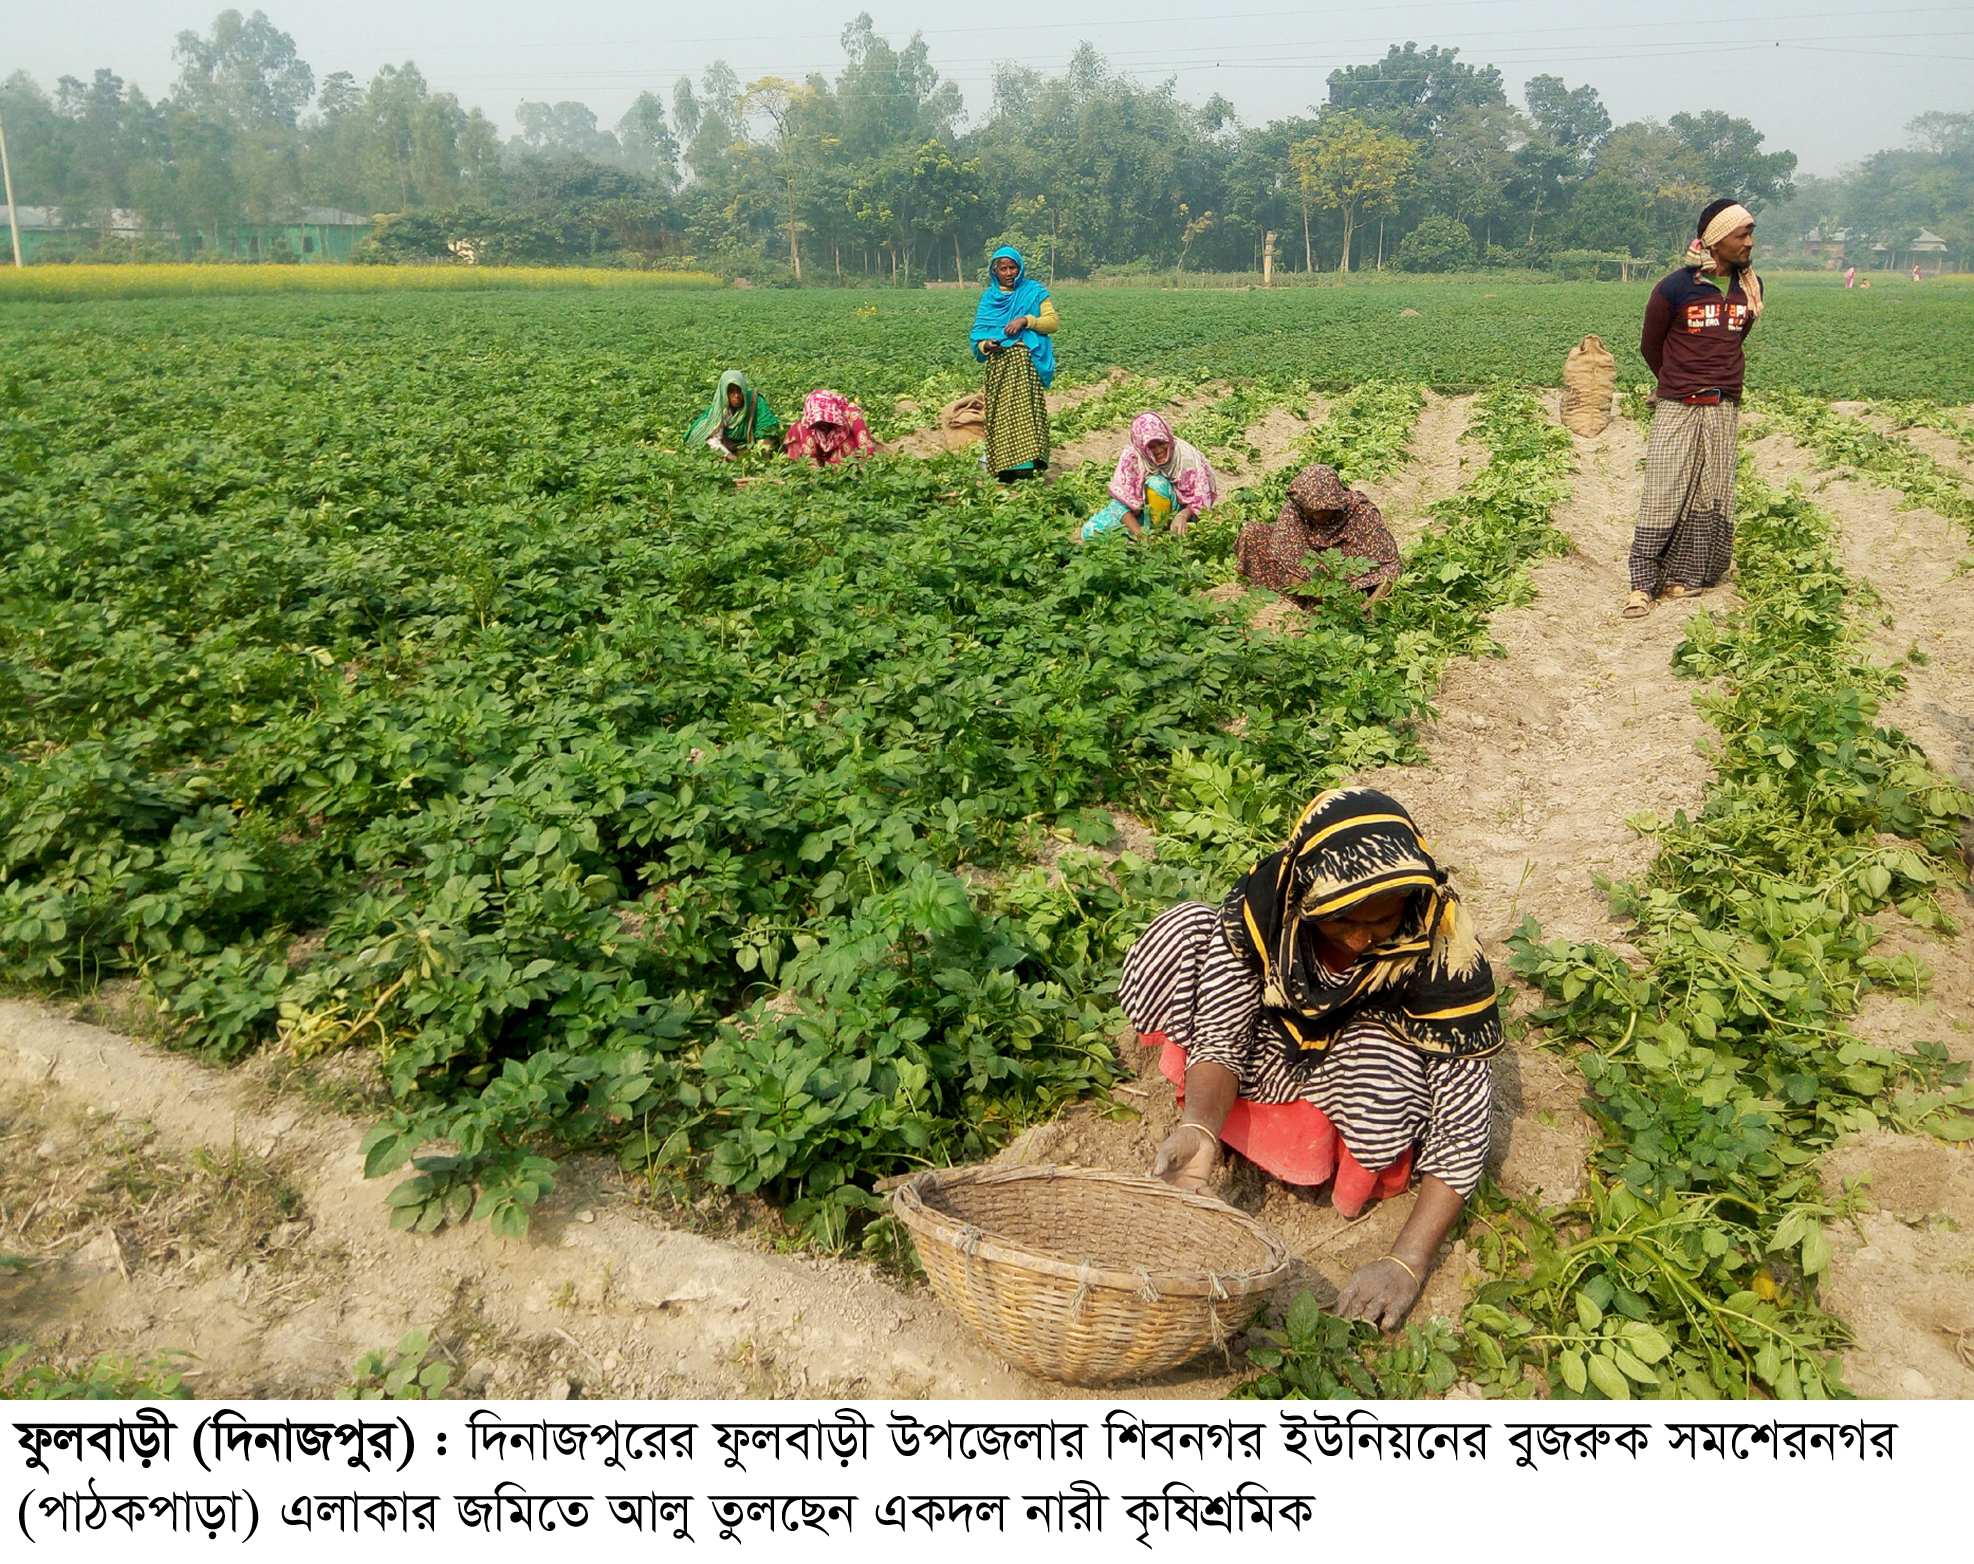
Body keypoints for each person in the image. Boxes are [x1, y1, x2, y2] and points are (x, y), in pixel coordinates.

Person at [1120, 787, 1500, 1330]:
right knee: (1186, 933)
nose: (1361, 937)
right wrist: (1200, 1126)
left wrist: (1407, 1261)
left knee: (1386, 1065)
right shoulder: (1270, 901)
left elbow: (1465, 1118)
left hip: (1359, 1066)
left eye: (1382, 920)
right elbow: (1224, 1031)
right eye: (1343, 921)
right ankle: (1222, 1136)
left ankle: (1326, 1164)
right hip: (1272, 1044)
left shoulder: (1443, 950)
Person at [1623, 198, 1763, 621]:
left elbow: (1734, 341)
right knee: (1664, 491)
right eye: (1742, 235)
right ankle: (1642, 583)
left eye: (1751, 233)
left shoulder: (1748, 289)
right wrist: (1674, 381)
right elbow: (1651, 344)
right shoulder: (1675, 287)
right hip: (1678, 404)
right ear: (1717, 241)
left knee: (1711, 492)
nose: (1750, 243)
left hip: (1723, 405)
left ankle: (1690, 574)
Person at [1234, 463, 1400, 603]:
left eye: (1323, 510)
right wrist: (1311, 589)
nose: (1317, 516)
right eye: (1310, 511)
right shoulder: (1295, 508)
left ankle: (1329, 603)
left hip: (1344, 581)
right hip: (1304, 579)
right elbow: (1285, 553)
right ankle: (1298, 599)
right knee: (1253, 532)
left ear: (1337, 502)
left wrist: (1370, 604)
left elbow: (1389, 566)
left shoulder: (1361, 513)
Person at [970, 246, 1058, 481]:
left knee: (1027, 415)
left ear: (1020, 268)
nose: (1009, 272)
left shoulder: (1034, 292)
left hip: (1025, 364)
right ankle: (1004, 468)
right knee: (1001, 415)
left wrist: (1025, 320)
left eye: (1013, 267)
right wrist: (986, 346)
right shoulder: (990, 298)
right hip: (999, 366)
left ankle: (1028, 467)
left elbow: (1052, 323)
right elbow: (978, 334)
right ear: (995, 271)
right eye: (1003, 268)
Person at [1081, 412, 1220, 539]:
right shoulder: (1133, 457)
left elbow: (1200, 498)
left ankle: (1163, 536)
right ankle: (1142, 541)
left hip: (1176, 514)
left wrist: (1182, 516)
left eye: (1161, 443)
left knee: (1156, 484)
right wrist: (1142, 538)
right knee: (1091, 531)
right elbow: (1121, 504)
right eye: (1151, 447)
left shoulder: (1186, 457)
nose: (1159, 450)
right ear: (1142, 447)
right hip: (1140, 514)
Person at [686, 370, 780, 459]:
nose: (736, 396)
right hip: (727, 448)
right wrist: (728, 455)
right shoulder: (721, 409)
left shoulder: (754, 402)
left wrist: (763, 454)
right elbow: (712, 438)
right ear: (724, 392)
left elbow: (767, 427)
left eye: (739, 390)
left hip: (752, 448)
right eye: (731, 391)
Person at [783, 388, 875, 467]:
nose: (821, 426)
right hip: (819, 456)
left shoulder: (850, 414)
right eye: (817, 423)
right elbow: (809, 455)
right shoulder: (806, 424)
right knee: (798, 429)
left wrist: (864, 469)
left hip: (846, 458)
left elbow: (866, 447)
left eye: (824, 422)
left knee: (847, 443)